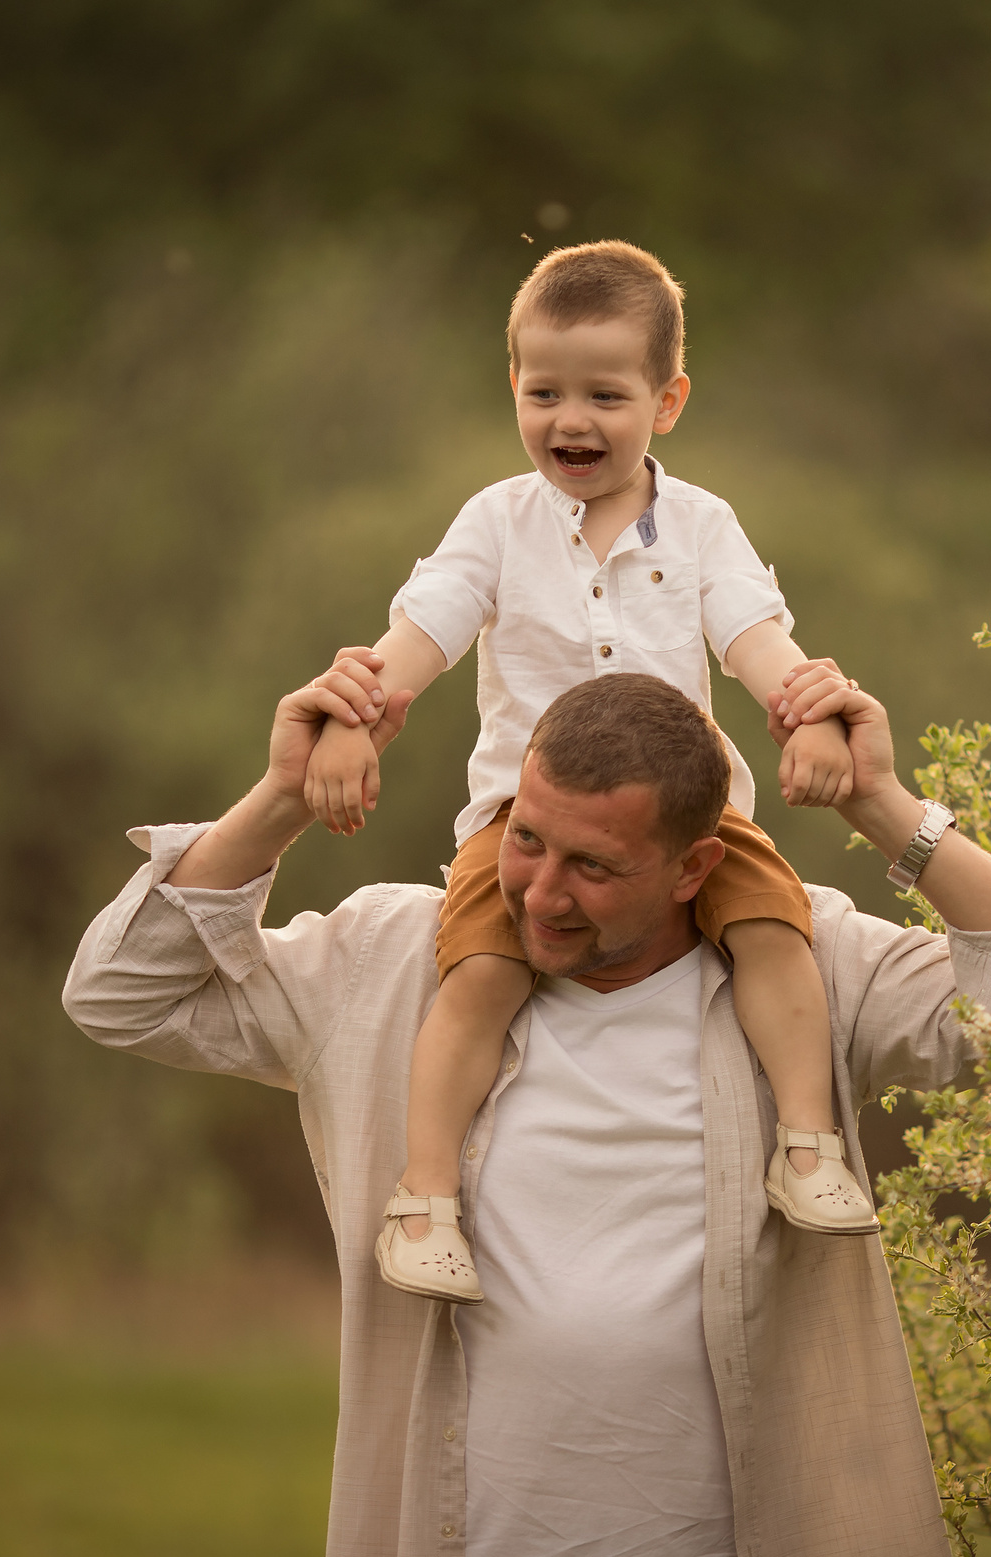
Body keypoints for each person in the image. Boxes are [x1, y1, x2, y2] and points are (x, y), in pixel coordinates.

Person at [61, 663, 991, 1557]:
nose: (538, 890)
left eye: (593, 866)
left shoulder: (809, 966)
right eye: (526, 839)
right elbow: (119, 995)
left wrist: (884, 808)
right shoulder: (389, 957)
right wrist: (280, 802)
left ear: (693, 869)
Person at [300, 239, 871, 1305]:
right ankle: (424, 1200)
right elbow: (422, 631)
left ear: (667, 401)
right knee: (476, 973)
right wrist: (356, 718)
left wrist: (811, 716)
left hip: (689, 804)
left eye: (606, 394)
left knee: (773, 929)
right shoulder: (495, 522)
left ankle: (806, 1144)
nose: (571, 420)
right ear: (511, 387)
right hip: (524, 813)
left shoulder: (700, 526)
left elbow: (756, 638)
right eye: (543, 391)